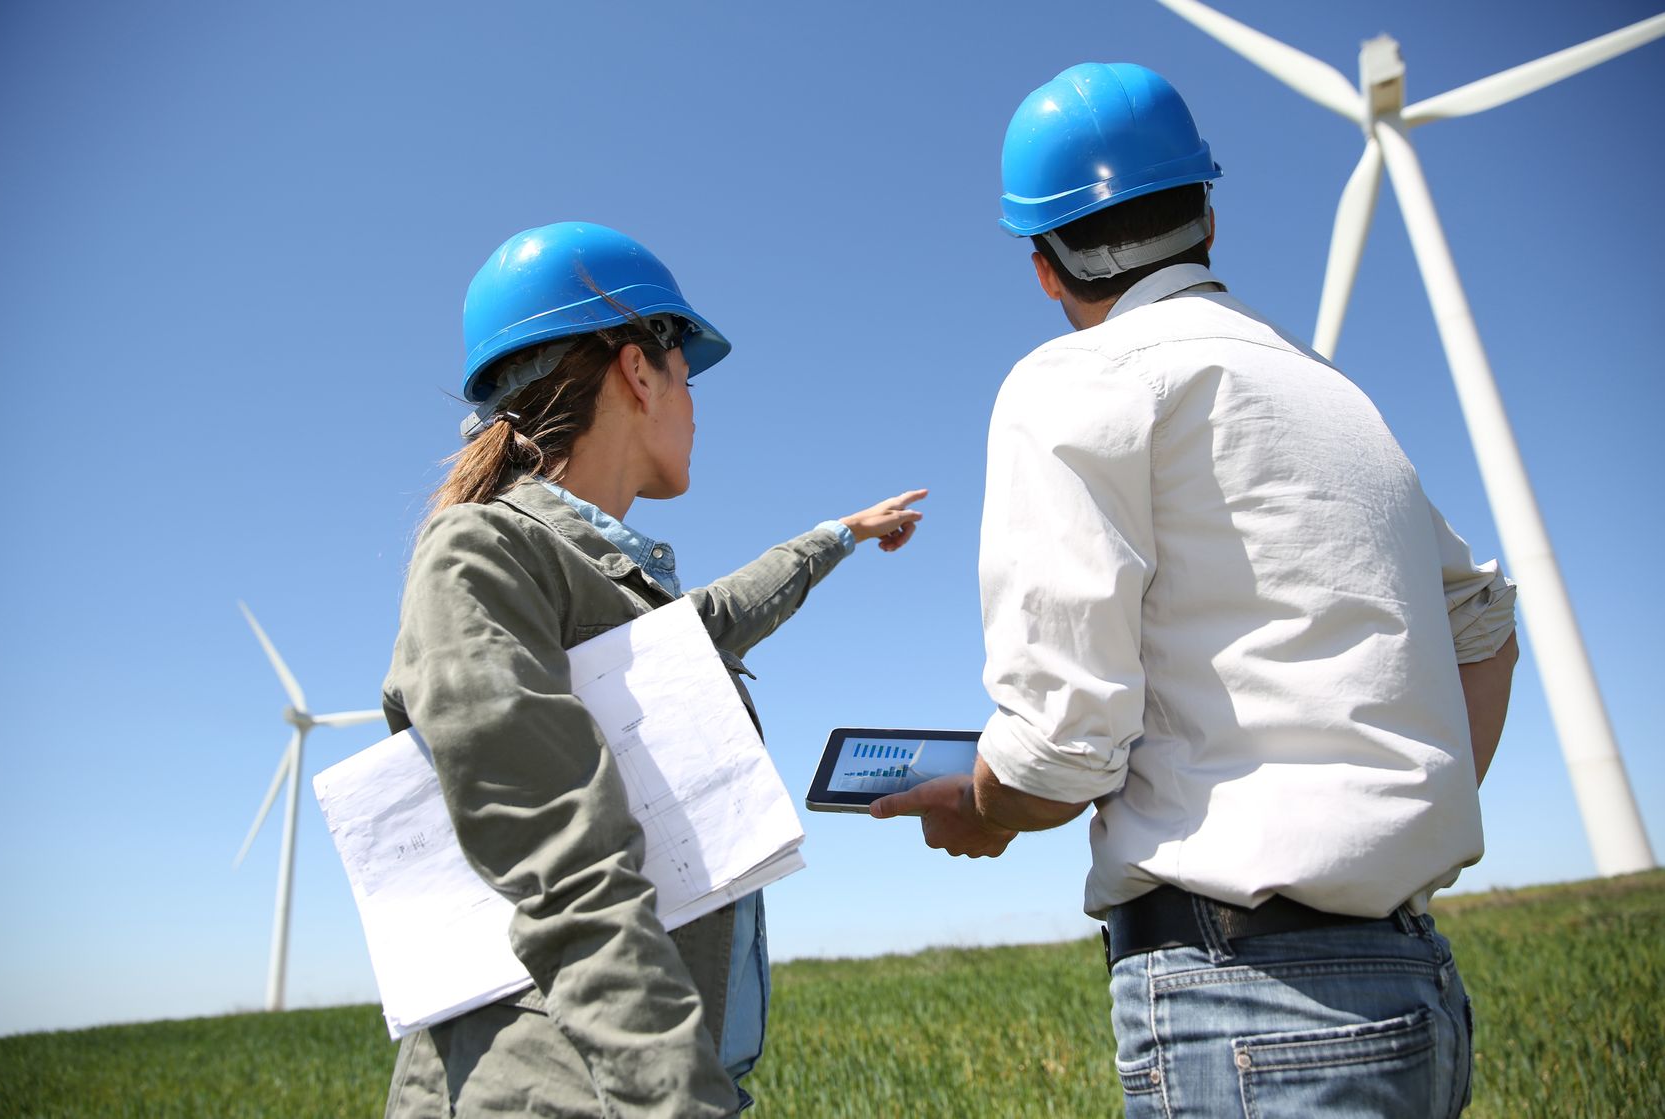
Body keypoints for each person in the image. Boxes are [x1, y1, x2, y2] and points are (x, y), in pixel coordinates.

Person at [871, 63, 1518, 1117]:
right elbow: (1483, 628)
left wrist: (983, 802)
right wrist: (1376, 820)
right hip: (1416, 985)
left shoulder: (1072, 383)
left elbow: (1064, 746)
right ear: (1208, 215)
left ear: (1042, 266)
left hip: (1248, 1001)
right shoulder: (1328, 390)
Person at [382, 221, 925, 1117]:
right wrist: (679, 1098)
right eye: (686, 373)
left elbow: (725, 611)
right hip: (567, 1094)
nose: (695, 404)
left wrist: (841, 535)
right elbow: (565, 861)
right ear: (639, 369)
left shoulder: (609, 581)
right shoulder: (479, 553)